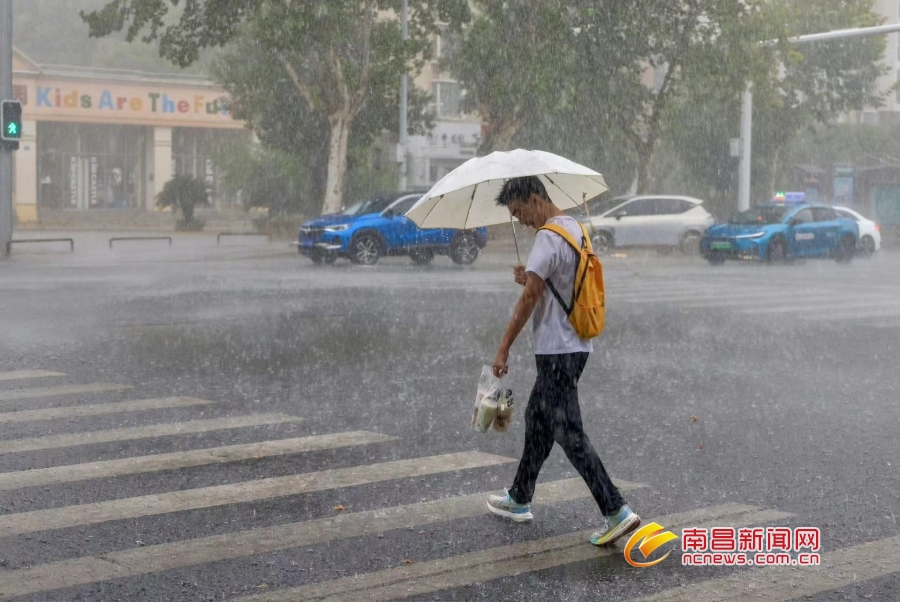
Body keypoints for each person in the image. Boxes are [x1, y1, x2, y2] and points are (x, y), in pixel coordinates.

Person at [486, 176, 641, 546]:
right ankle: (520, 497)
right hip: (575, 345)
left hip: (557, 349)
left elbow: (529, 301)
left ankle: (616, 509)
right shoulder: (574, 228)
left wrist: (504, 347)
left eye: (521, 211)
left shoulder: (547, 236)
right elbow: (559, 280)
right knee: (537, 418)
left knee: (568, 431)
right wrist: (531, 276)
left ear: (536, 199)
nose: (522, 220)